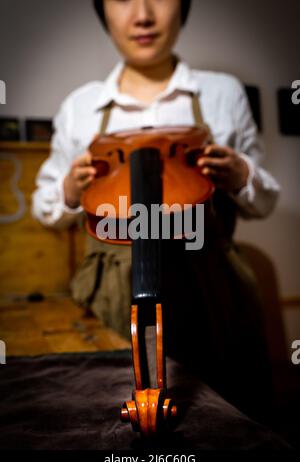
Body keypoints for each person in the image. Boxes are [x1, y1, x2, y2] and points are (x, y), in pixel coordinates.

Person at [31, 0, 281, 420]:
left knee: (231, 416)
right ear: (103, 11)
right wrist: (71, 190)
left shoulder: (222, 93)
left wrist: (241, 173)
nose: (143, 15)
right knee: (112, 412)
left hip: (213, 287)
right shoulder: (80, 105)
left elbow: (265, 202)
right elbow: (45, 208)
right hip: (113, 290)